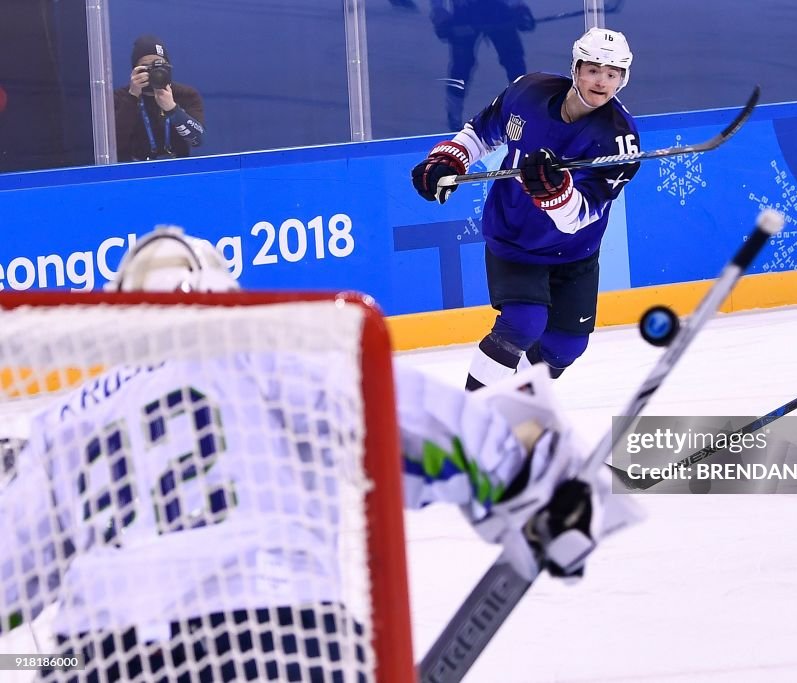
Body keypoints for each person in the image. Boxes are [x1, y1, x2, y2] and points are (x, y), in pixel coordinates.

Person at [0, 227, 635, 681]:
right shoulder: (261, 356)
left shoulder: (60, 423)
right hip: (278, 638)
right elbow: (409, 421)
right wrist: (534, 481)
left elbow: (11, 583)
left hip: (100, 658)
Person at [411, 27, 640, 391]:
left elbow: (581, 216)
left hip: (575, 251)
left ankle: (518, 397)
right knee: (523, 323)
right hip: (514, 237)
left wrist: (556, 194)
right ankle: (470, 414)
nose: (602, 81)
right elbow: (483, 131)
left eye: (613, 74)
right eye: (594, 69)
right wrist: (449, 159)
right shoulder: (528, 90)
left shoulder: (620, 140)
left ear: (622, 80)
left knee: (566, 347)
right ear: (576, 69)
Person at [430, 0, 535, 131]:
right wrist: (438, 11)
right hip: (465, 9)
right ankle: (454, 118)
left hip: (498, 8)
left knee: (515, 63)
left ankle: (522, 112)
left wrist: (518, 6)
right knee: (462, 66)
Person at [113, 35, 206, 162]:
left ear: (168, 66)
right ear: (135, 71)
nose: (153, 73)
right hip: (135, 170)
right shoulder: (120, 97)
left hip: (177, 167)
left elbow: (197, 140)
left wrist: (173, 110)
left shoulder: (185, 94)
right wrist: (132, 97)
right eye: (146, 67)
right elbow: (114, 144)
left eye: (158, 65)